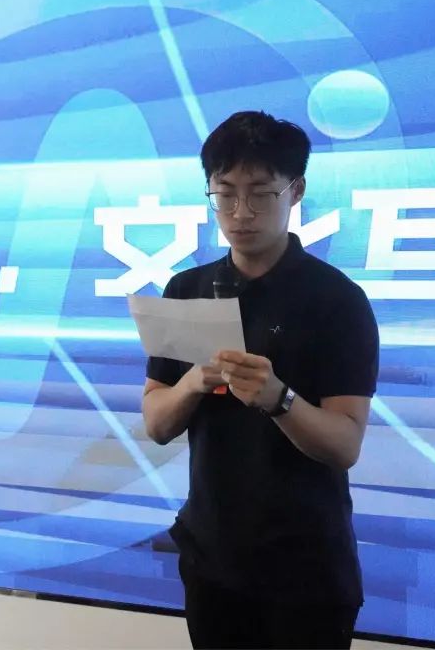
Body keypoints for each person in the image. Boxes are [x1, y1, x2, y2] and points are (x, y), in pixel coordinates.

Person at [142, 111, 379, 649]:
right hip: (211, 560)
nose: (240, 213)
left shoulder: (336, 300)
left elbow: (345, 445)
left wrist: (279, 399)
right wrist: (192, 384)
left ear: (296, 190)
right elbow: (156, 423)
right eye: (224, 195)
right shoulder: (186, 290)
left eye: (261, 194)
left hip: (306, 571)